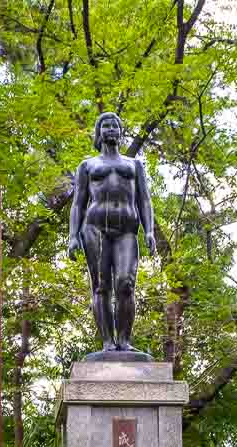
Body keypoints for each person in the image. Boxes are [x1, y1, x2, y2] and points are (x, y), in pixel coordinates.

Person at [68, 112, 157, 355]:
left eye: (114, 125)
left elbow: (145, 200)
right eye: (105, 125)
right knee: (101, 286)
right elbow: (78, 203)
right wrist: (72, 236)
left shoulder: (134, 165)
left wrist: (149, 231)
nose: (110, 129)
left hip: (127, 229)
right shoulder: (88, 165)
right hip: (94, 228)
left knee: (126, 283)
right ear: (99, 132)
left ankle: (124, 340)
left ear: (120, 131)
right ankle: (108, 342)